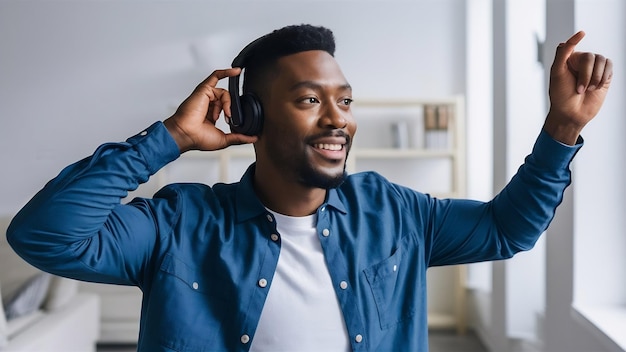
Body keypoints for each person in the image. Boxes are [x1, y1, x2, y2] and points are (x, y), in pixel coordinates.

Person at [6, 24, 612, 352]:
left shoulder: (393, 211)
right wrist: (169, 137)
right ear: (251, 118)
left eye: (344, 100)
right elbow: (44, 236)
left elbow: (508, 230)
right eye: (308, 100)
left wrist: (563, 129)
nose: (338, 118)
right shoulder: (180, 222)